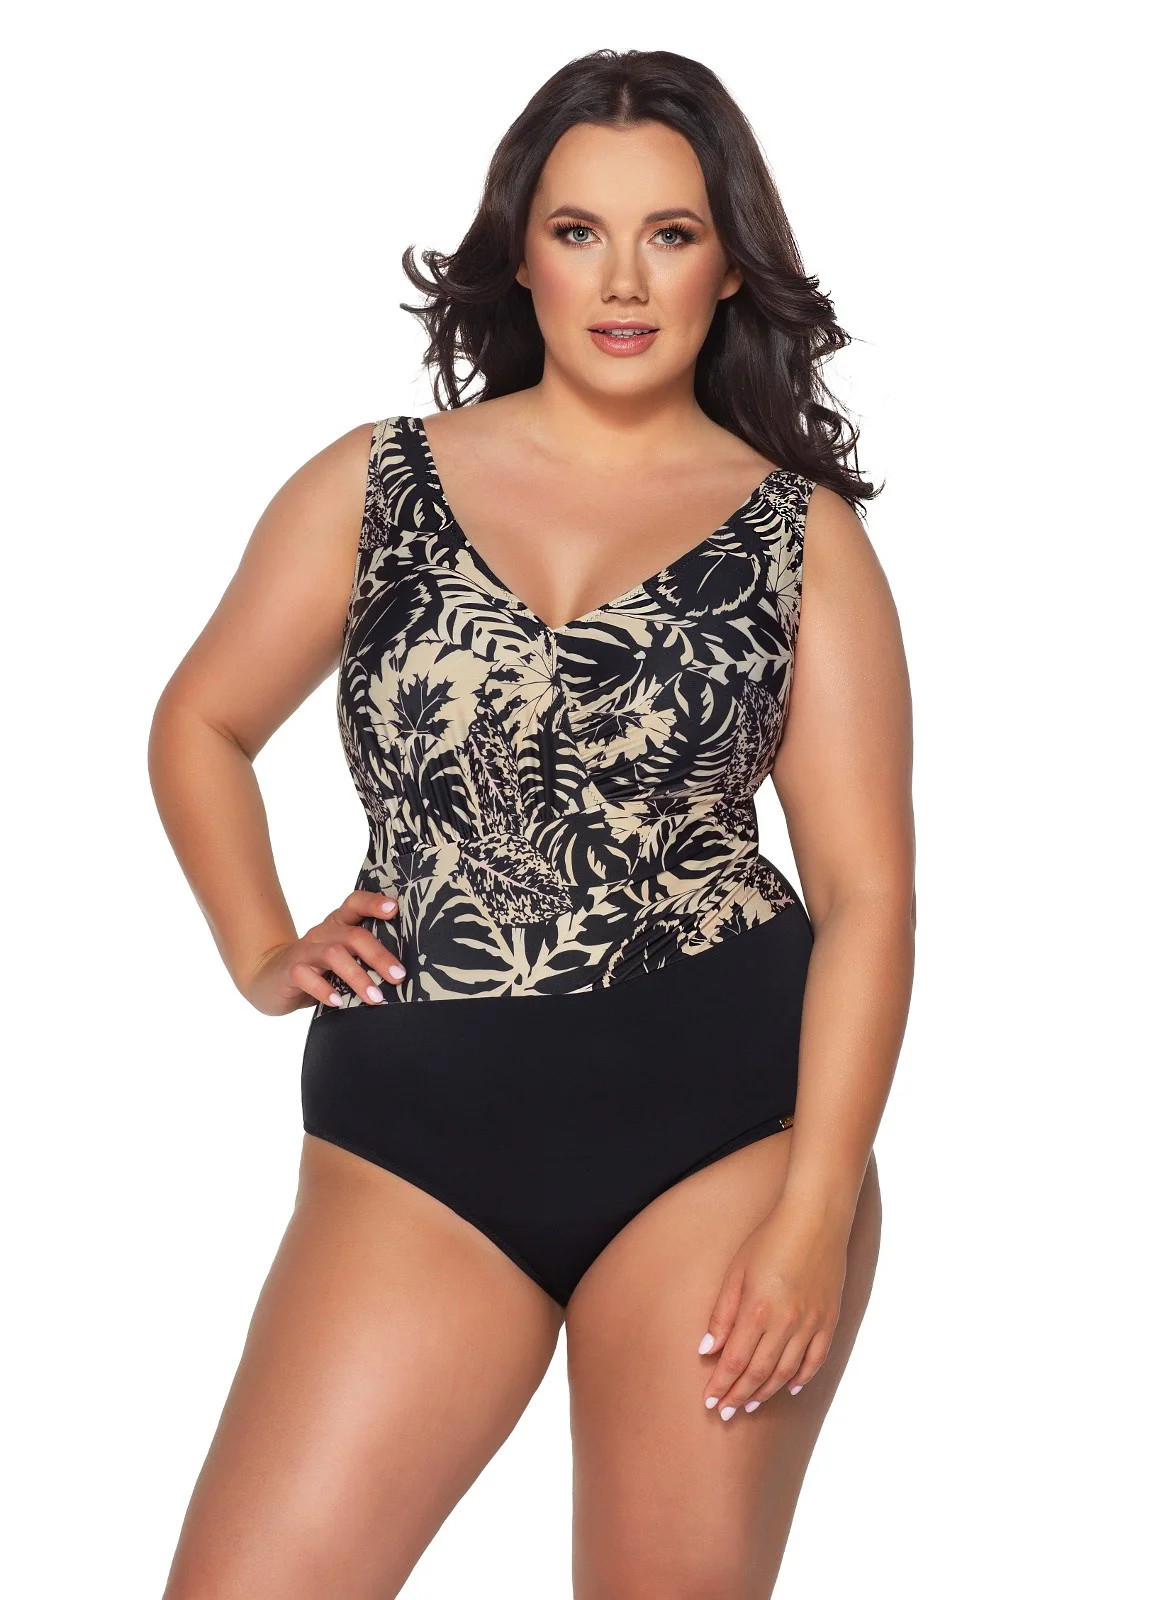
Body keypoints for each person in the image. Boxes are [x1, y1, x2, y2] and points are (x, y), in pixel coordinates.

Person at [149, 46, 914, 1600]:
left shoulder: (800, 538)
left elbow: (866, 895)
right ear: (522, 253)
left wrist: (814, 1210)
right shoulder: (375, 482)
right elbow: (199, 722)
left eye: (669, 233)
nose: (622, 278)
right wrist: (258, 946)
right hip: (409, 1147)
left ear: (726, 265)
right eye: (579, 230)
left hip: (725, 1144)